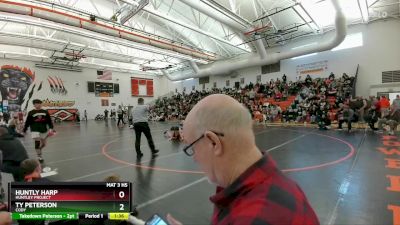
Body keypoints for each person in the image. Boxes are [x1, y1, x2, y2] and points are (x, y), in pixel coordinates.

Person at [167, 94, 319, 225]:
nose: (194, 158)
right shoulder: (282, 186)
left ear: (214, 142)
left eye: (192, 148)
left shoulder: (253, 218)